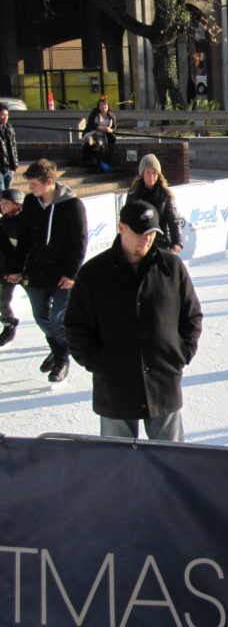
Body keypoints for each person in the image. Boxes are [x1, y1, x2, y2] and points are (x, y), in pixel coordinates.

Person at [65, 199, 202, 440]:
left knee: (171, 462)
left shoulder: (172, 267)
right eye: (139, 232)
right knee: (119, 465)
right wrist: (99, 364)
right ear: (121, 228)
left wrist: (182, 353)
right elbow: (76, 327)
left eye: (151, 233)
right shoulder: (94, 272)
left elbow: (191, 315)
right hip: (115, 386)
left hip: (164, 382)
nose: (146, 239)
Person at [9, 159, 87, 383]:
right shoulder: (32, 203)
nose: (30, 188)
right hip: (37, 271)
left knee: (58, 318)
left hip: (63, 273)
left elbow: (79, 241)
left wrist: (72, 273)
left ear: (49, 182)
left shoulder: (72, 205)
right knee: (41, 316)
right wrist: (17, 267)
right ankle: (59, 350)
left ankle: (62, 358)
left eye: (34, 184)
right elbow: (24, 238)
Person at [125, 154, 182, 253]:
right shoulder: (134, 194)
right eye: (148, 172)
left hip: (161, 242)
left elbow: (173, 218)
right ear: (142, 173)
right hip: (140, 243)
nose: (151, 176)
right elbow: (127, 219)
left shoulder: (165, 194)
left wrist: (177, 241)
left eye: (154, 173)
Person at [0, 188, 25, 346]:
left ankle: (59, 333)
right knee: (2, 300)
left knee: (42, 307)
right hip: (7, 271)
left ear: (17, 205)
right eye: (1, 202)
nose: (2, 205)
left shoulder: (28, 222)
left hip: (27, 271)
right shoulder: (3, 222)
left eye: (6, 202)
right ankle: (9, 323)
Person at [0, 104, 18, 191]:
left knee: (7, 194)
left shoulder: (9, 129)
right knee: (1, 191)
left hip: (9, 167)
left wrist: (14, 165)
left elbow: (13, 148)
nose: (5, 117)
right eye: (2, 115)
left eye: (6, 115)